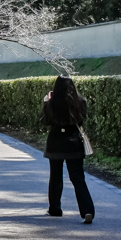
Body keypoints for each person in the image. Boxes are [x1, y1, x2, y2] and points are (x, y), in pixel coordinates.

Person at [42, 75, 95, 224]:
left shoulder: (52, 103)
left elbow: (45, 121)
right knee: (78, 179)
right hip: (74, 143)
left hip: (56, 142)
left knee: (55, 177)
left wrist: (46, 103)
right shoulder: (81, 102)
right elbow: (81, 120)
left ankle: (55, 208)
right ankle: (87, 210)